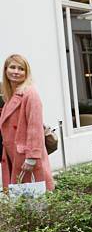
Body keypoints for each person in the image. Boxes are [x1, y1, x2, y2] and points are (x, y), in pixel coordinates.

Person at [0, 54, 54, 192]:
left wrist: (32, 157)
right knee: (21, 201)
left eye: (21, 69)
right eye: (12, 67)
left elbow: (34, 127)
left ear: (26, 72)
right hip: (13, 155)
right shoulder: (10, 95)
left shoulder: (30, 93)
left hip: (26, 158)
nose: (16, 72)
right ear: (6, 70)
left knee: (33, 201)